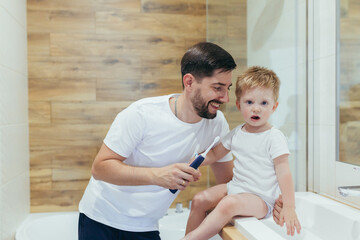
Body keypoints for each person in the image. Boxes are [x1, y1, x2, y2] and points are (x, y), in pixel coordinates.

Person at [78, 42, 238, 240]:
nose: (226, 98)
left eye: (227, 88)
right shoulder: (142, 114)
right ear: (189, 82)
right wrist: (157, 176)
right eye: (217, 88)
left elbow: (228, 182)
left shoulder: (216, 124)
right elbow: (100, 168)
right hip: (101, 219)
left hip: (146, 225)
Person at [183, 66, 301, 240]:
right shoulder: (237, 133)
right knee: (200, 199)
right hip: (236, 188)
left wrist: (290, 207)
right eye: (249, 102)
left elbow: (284, 172)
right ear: (239, 105)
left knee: (228, 204)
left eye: (264, 103)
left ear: (274, 107)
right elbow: (215, 154)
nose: (256, 109)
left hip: (261, 199)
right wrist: (193, 161)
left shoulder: (274, 137)